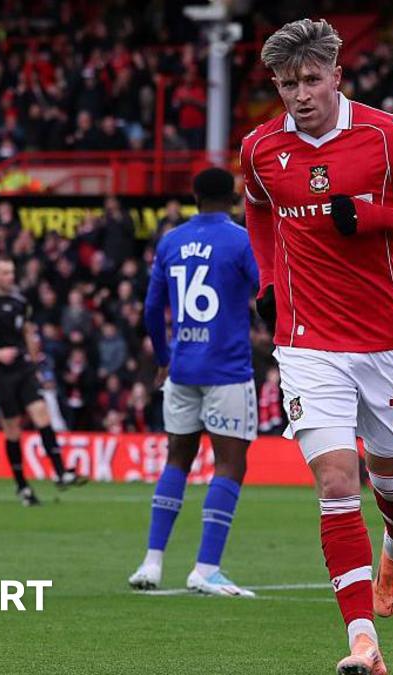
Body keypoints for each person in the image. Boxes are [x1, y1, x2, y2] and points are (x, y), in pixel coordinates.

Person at [241, 18, 393, 675]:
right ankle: (364, 642)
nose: (299, 95)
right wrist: (270, 278)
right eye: (286, 84)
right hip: (307, 345)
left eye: (310, 80)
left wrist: (373, 215)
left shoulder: (386, 136)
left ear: (336, 75)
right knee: (337, 479)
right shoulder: (259, 148)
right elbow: (256, 207)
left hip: (386, 342)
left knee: (392, 478)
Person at [128, 167, 259, 597]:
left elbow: (151, 310)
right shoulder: (241, 240)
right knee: (230, 464)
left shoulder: (170, 241)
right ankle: (206, 567)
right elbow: (266, 292)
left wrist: (164, 359)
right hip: (227, 368)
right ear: (234, 197)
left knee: (177, 460)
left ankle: (151, 562)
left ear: (195, 196)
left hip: (182, 366)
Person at [0, 256, 86, 506]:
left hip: (23, 368)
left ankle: (61, 472)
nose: (10, 277)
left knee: (42, 415)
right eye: (5, 273)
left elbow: (28, 332)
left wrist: (36, 361)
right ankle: (22, 486)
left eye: (11, 272)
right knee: (13, 429)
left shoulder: (21, 301)